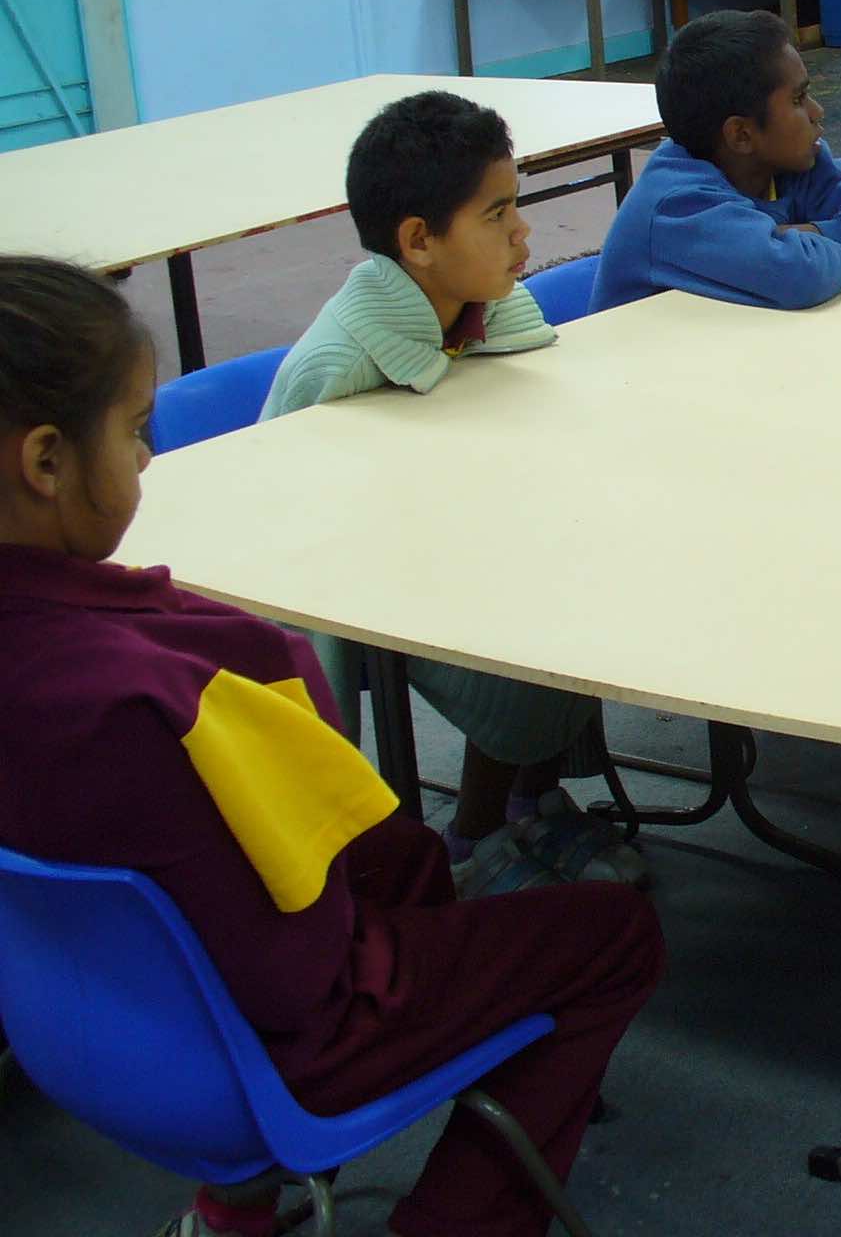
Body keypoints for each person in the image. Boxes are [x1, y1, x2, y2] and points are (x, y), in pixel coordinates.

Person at [0, 255, 664, 1237]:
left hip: (71, 1025)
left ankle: (233, 1209)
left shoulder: (97, 661)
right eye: (136, 432)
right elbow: (302, 970)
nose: (146, 460)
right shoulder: (149, 698)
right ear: (48, 461)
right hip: (269, 1047)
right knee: (613, 932)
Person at [265, 91, 630, 897]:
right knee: (539, 637)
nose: (523, 233)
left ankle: (536, 801)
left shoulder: (478, 306)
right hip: (371, 585)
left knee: (581, 571)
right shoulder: (341, 366)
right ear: (418, 242)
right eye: (498, 214)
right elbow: (311, 550)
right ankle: (473, 837)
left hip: (465, 539)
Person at [592, 10, 841, 310]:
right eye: (798, 99)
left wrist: (806, 232)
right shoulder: (675, 205)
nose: (817, 112)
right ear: (741, 135)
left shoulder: (797, 164)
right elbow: (804, 274)